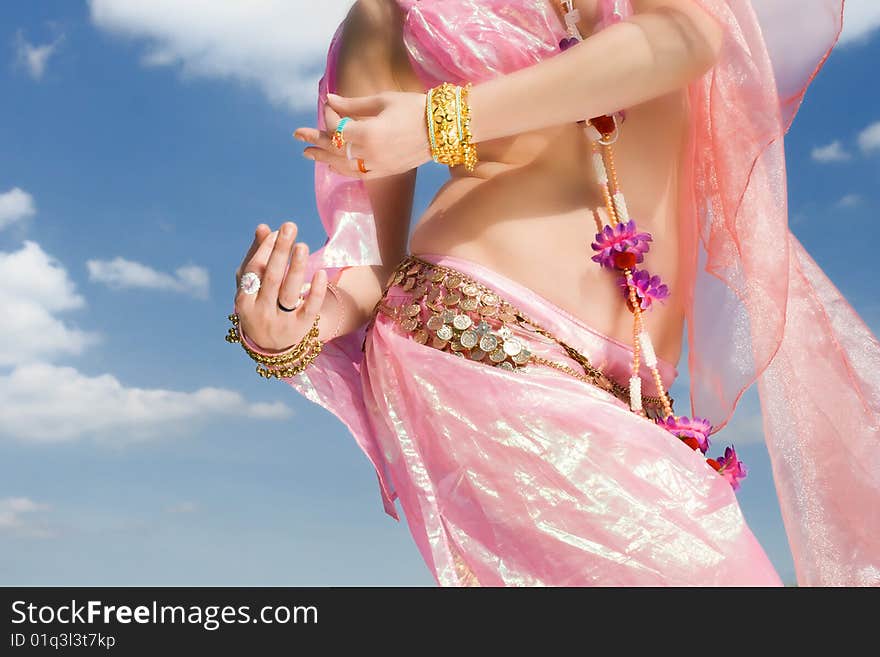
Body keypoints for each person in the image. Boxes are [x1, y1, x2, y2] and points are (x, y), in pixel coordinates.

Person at [228, 0, 880, 586]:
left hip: (635, 393)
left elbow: (685, 38)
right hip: (482, 346)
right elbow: (370, 264)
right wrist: (294, 326)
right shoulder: (386, 16)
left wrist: (439, 120)